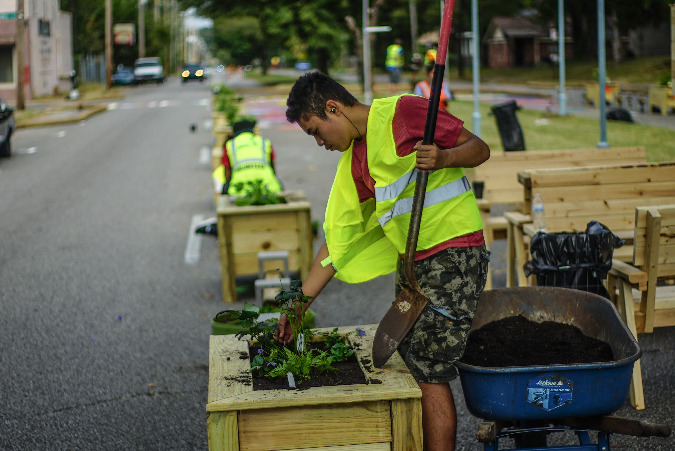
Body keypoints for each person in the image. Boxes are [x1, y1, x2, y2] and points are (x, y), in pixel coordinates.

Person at [277, 71, 490, 451]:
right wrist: (298, 306)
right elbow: (337, 244)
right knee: (407, 361)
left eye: (315, 131)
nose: (319, 143)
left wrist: (444, 157)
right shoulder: (356, 160)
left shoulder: (404, 112)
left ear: (333, 108)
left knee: (428, 370)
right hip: (412, 264)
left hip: (454, 253)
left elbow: (479, 148)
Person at [212, 117, 283, 195]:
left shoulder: (230, 145)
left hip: (240, 188)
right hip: (268, 186)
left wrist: (227, 184)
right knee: (279, 188)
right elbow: (272, 167)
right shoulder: (264, 142)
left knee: (225, 195)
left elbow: (227, 172)